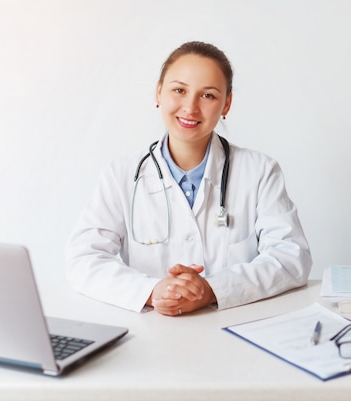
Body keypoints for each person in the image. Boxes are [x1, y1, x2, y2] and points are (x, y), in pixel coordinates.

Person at [65, 41, 312, 316]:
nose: (191, 107)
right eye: (179, 90)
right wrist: (152, 291)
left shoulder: (259, 171)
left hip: (235, 330)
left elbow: (291, 257)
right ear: (159, 92)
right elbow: (83, 259)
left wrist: (211, 290)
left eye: (207, 96)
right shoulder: (120, 176)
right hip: (150, 335)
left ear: (226, 103)